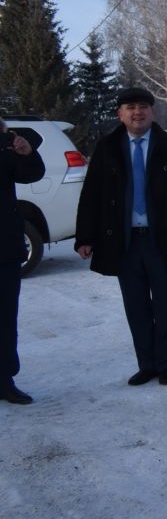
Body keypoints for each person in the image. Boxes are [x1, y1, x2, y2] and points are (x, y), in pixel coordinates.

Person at [75, 88, 167, 387]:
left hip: (162, 238)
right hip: (124, 241)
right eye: (130, 107)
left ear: (152, 112)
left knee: (164, 305)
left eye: (143, 107)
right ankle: (146, 364)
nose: (138, 112)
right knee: (135, 306)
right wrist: (85, 236)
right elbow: (91, 195)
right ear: (120, 114)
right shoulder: (107, 147)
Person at [0, 118, 45, 405]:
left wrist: (26, 152)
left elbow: (30, 174)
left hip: (3, 249)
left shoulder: (6, 147)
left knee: (4, 319)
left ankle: (4, 379)